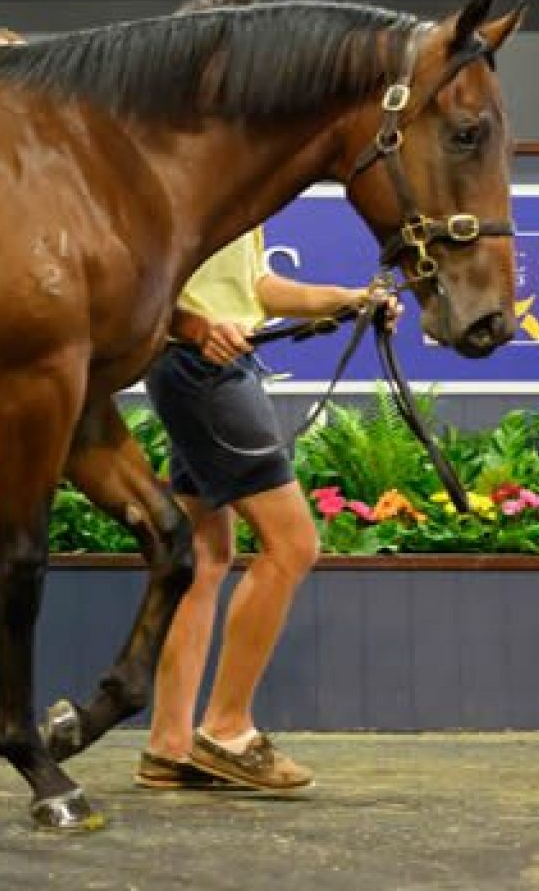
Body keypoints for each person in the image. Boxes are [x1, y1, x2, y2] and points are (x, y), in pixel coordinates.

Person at [137, 226, 395, 794]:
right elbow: (139, 280)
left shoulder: (241, 198)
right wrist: (199, 327)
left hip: (207, 367)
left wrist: (349, 299)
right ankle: (227, 729)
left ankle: (169, 744)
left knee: (205, 556)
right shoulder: (190, 170)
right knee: (293, 544)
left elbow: (254, 287)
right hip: (201, 366)